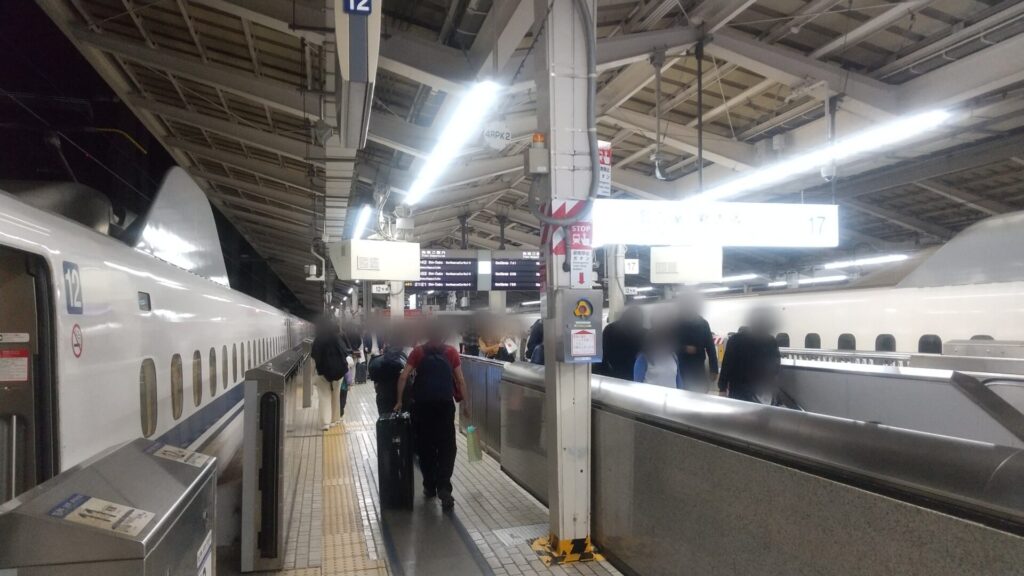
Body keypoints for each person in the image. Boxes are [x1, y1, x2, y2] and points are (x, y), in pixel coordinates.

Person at [395, 324, 467, 511]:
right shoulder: (451, 352)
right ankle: (444, 486)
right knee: (447, 446)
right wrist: (464, 404)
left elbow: (403, 377)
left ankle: (429, 485)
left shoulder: (418, 352)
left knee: (425, 446)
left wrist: (399, 401)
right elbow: (460, 380)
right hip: (444, 406)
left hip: (422, 406)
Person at [717, 307, 782, 404]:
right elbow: (775, 367)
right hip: (759, 389)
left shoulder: (735, 340)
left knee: (740, 415)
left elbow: (727, 365)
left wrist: (722, 388)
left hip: (740, 390)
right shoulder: (770, 341)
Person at [674, 292, 719, 392]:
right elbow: (670, 344)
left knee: (700, 396)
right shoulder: (675, 323)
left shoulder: (703, 323)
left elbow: (710, 347)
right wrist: (684, 348)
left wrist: (714, 369)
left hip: (698, 367)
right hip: (680, 368)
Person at [310, 318, 351, 430]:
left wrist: (312, 374)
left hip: (322, 373)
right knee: (336, 395)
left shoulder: (318, 340)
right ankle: (335, 419)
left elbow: (313, 358)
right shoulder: (338, 338)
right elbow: (346, 354)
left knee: (324, 397)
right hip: (338, 372)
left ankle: (325, 423)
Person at [599, 306, 645, 380]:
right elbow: (602, 355)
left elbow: (602, 355)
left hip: (617, 373)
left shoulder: (610, 329)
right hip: (626, 373)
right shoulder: (611, 330)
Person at [369, 336, 407, 416]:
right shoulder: (403, 359)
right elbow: (405, 379)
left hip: (383, 397)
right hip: (401, 396)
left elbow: (376, 385)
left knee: (385, 421)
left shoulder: (377, 361)